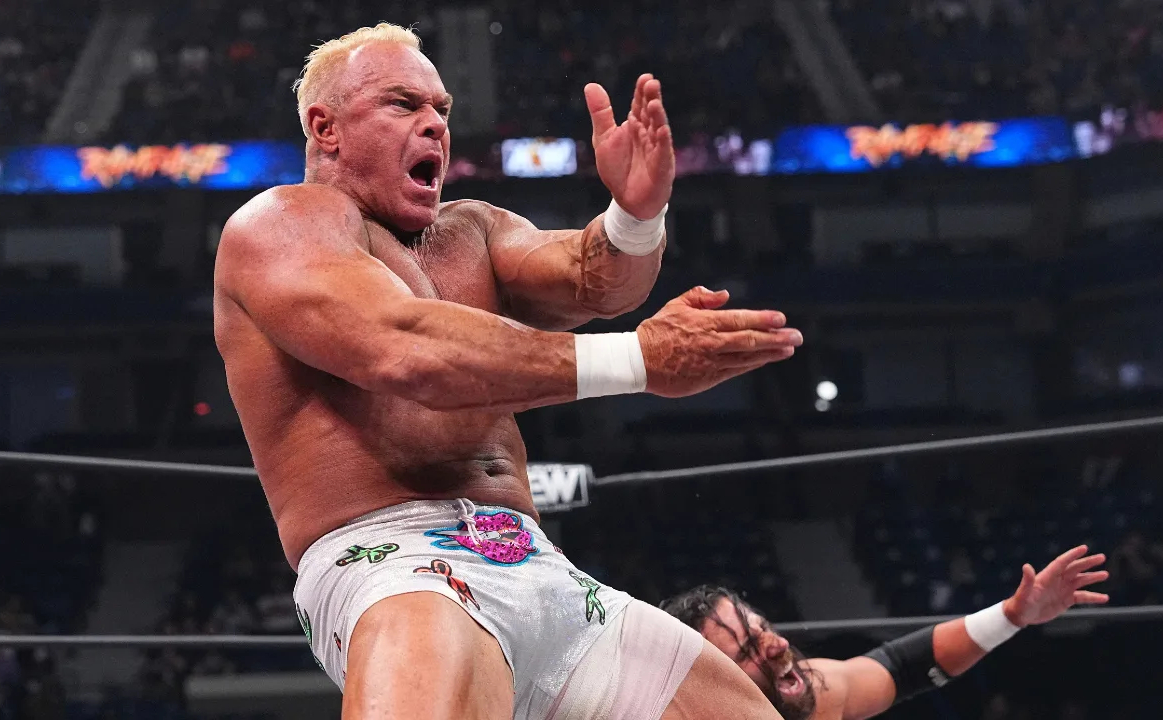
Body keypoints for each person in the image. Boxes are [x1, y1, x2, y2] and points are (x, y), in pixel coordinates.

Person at [213, 22, 804, 720]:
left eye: (442, 109)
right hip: (393, 562)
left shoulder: (472, 230)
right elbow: (407, 351)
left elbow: (594, 281)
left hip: (536, 563)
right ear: (326, 128)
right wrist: (640, 360)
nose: (435, 124)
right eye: (403, 104)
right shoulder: (279, 226)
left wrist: (635, 216)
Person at [660, 545, 1110, 720]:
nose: (777, 645)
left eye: (763, 629)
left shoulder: (813, 698)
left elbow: (900, 667)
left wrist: (1011, 615)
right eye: (747, 651)